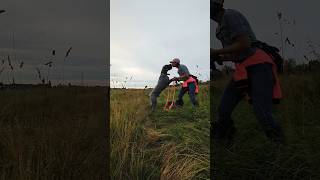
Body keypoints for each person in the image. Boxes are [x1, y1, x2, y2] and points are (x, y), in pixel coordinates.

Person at [210, 0, 284, 143]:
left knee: (262, 111)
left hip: (259, 64)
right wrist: (218, 57)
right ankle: (225, 142)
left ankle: (280, 147)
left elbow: (245, 43)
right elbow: (235, 53)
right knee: (223, 109)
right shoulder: (218, 30)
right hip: (242, 68)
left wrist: (217, 51)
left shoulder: (231, 16)